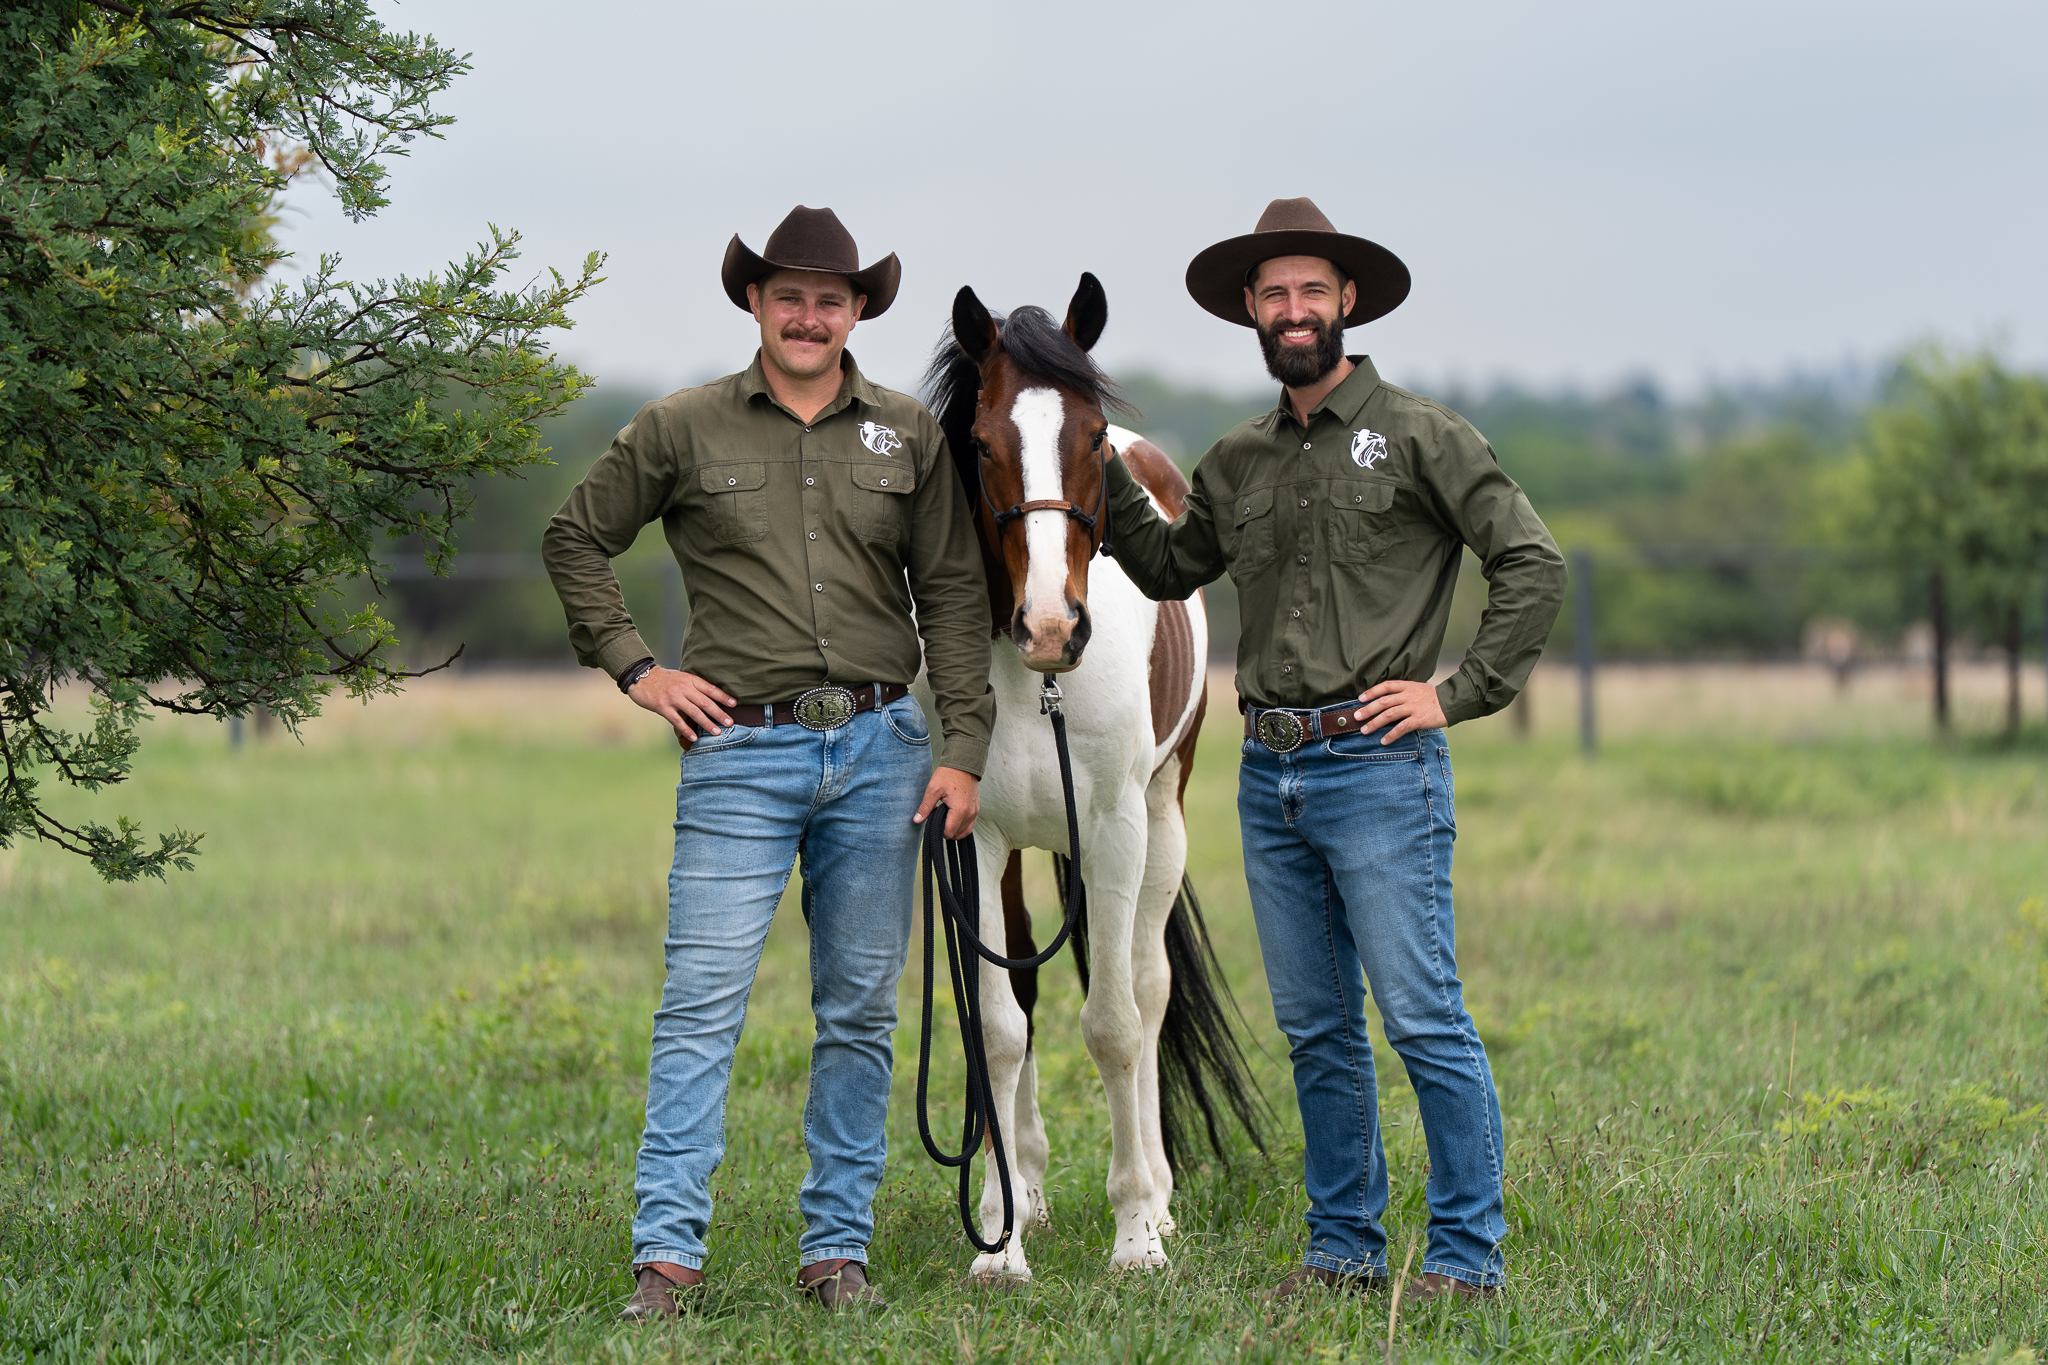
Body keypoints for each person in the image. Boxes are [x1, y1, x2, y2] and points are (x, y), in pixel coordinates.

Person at [1101, 197, 1566, 1302]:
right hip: (1268, 775)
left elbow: (1531, 564)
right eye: (1274, 295)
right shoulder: (1236, 459)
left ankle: (1464, 1259)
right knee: (1315, 1030)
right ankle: (1343, 1251)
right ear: (1250, 314)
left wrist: (1456, 694)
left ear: (1346, 302)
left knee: (1419, 1018)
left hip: (1376, 767)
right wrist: (1089, 460)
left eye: (1312, 290)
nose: (1293, 309)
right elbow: (1169, 571)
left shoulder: (1416, 434)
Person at [541, 206, 994, 1316]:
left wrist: (964, 749)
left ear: (856, 313)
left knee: (858, 1012)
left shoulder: (907, 435)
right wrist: (637, 669)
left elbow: (951, 594)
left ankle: (836, 1253)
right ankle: (667, 1261)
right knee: (700, 1006)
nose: (807, 315)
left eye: (829, 299)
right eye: (788, 295)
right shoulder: (682, 427)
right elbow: (575, 539)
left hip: (885, 748)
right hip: (738, 750)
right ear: (755, 302)